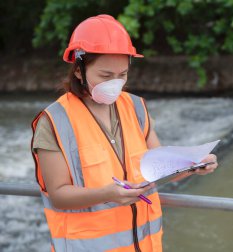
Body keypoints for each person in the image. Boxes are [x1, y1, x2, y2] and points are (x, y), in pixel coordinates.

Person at [30, 14, 218, 252]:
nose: (115, 84)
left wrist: (193, 165)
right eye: (105, 76)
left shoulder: (136, 107)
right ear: (78, 70)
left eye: (122, 75)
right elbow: (58, 195)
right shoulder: (54, 121)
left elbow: (160, 167)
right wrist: (106, 194)